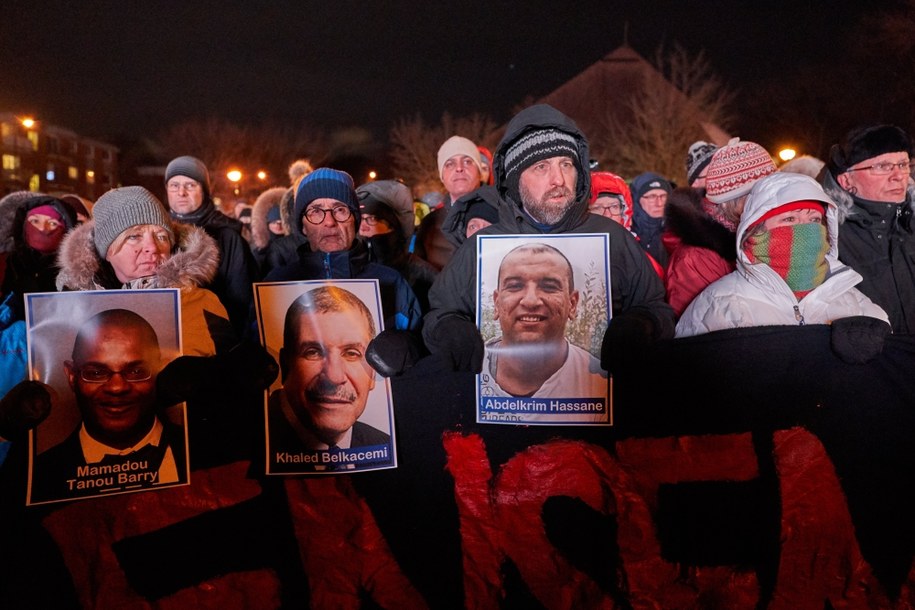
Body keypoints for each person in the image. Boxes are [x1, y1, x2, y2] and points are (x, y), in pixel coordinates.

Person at [422, 104, 675, 376]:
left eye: (566, 164)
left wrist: (642, 324)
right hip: (506, 413)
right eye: (541, 167)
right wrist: (449, 328)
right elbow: (438, 313)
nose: (558, 179)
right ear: (516, 179)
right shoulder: (481, 247)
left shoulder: (613, 238)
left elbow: (657, 308)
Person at [676, 172, 890, 342]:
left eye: (814, 219)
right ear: (756, 229)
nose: (805, 230)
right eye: (789, 218)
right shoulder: (718, 304)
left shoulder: (854, 300)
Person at [263, 168, 423, 371]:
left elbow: (419, 338)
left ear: (355, 220)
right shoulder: (277, 283)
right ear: (303, 226)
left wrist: (407, 346)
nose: (329, 222)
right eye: (316, 211)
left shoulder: (391, 281)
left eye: (340, 209)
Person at [56, 185, 236, 356]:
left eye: (161, 236)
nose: (152, 247)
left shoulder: (203, 303)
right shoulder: (72, 306)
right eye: (134, 236)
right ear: (107, 250)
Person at [30, 308, 188, 503]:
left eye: (137, 370)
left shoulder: (203, 450)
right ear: (72, 376)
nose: (117, 387)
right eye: (96, 373)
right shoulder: (37, 475)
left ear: (161, 370)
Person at [267, 286, 389, 463]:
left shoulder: (386, 444)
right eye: (313, 352)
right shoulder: (245, 448)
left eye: (352, 353)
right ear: (285, 365)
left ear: (373, 371)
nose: (334, 376)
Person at [663, 138, 777, 318]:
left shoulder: (759, 233)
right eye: (754, 194)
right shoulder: (694, 258)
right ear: (727, 201)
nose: (768, 203)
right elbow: (701, 327)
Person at [819, 124, 915, 334]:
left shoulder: (910, 222)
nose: (899, 176)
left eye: (903, 164)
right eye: (882, 166)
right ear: (846, 180)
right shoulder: (827, 235)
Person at [481, 242, 607, 400]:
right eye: (515, 286)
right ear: (497, 303)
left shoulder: (600, 381)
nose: (531, 301)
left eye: (549, 287)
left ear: (572, 304)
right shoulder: (471, 372)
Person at [164, 155, 260, 336]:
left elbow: (243, 301)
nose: (181, 192)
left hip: (217, 338)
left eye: (190, 185)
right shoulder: (156, 234)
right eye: (174, 185)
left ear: (205, 190)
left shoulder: (228, 236)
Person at [356, 179, 438, 314]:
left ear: (392, 226)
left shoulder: (422, 275)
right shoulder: (350, 268)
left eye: (372, 219)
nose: (363, 227)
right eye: (360, 219)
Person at [414, 135, 484, 270]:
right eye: (450, 164)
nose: (459, 168)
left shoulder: (502, 215)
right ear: (442, 177)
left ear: (479, 172)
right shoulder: (429, 224)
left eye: (467, 161)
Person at [629, 171, 673, 271]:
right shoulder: (628, 235)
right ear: (636, 199)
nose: (659, 203)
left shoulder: (677, 232)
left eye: (663, 196)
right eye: (652, 197)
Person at [249, 186, 288, 275]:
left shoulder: (297, 248)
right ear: (267, 223)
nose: (278, 226)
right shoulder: (260, 251)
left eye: (281, 222)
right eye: (274, 222)